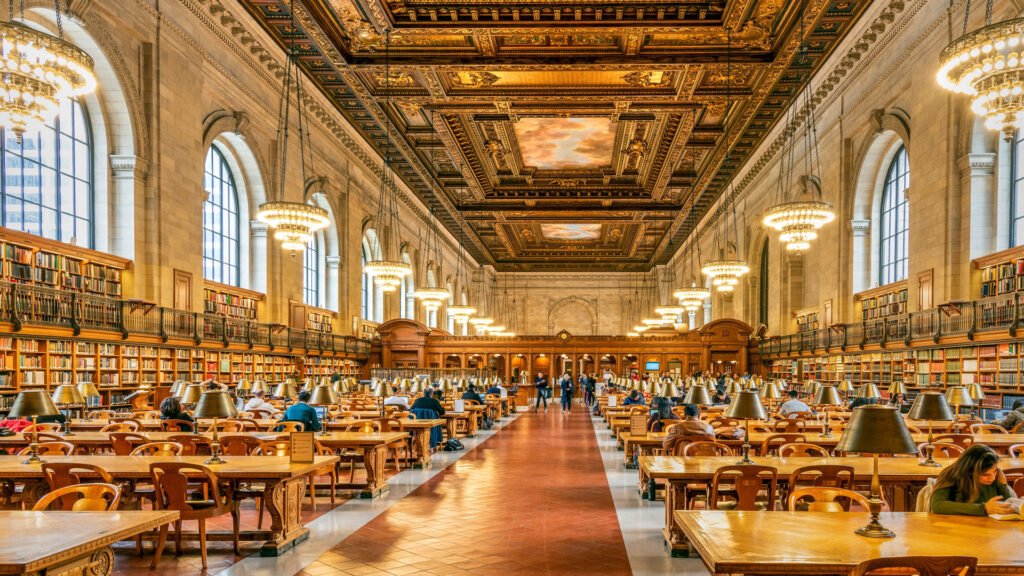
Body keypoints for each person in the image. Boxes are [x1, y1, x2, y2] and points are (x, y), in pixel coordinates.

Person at [931, 445, 1016, 516]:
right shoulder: (951, 475)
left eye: (995, 471)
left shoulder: (996, 474)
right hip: (957, 527)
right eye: (985, 475)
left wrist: (1003, 486)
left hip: (989, 528)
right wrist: (984, 509)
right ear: (970, 471)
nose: (992, 478)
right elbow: (937, 505)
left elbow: (1008, 501)